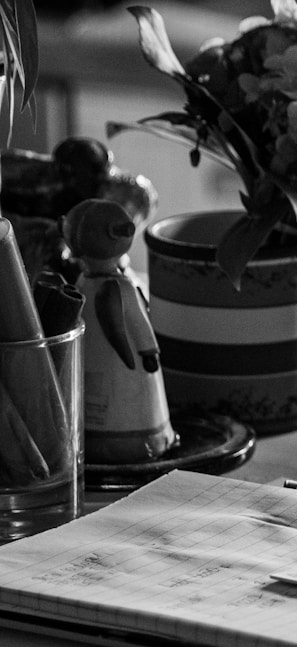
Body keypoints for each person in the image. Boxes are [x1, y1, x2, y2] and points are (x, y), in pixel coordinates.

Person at [62, 199, 177, 464]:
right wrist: (148, 351)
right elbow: (138, 324)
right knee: (124, 404)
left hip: (90, 363)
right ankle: (146, 439)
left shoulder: (82, 282)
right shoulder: (120, 286)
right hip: (128, 367)